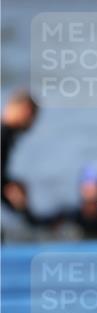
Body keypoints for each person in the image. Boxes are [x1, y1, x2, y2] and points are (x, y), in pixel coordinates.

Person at [1, 89, 39, 219]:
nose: (32, 121)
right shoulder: (3, 135)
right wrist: (8, 188)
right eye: (31, 113)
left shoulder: (7, 135)